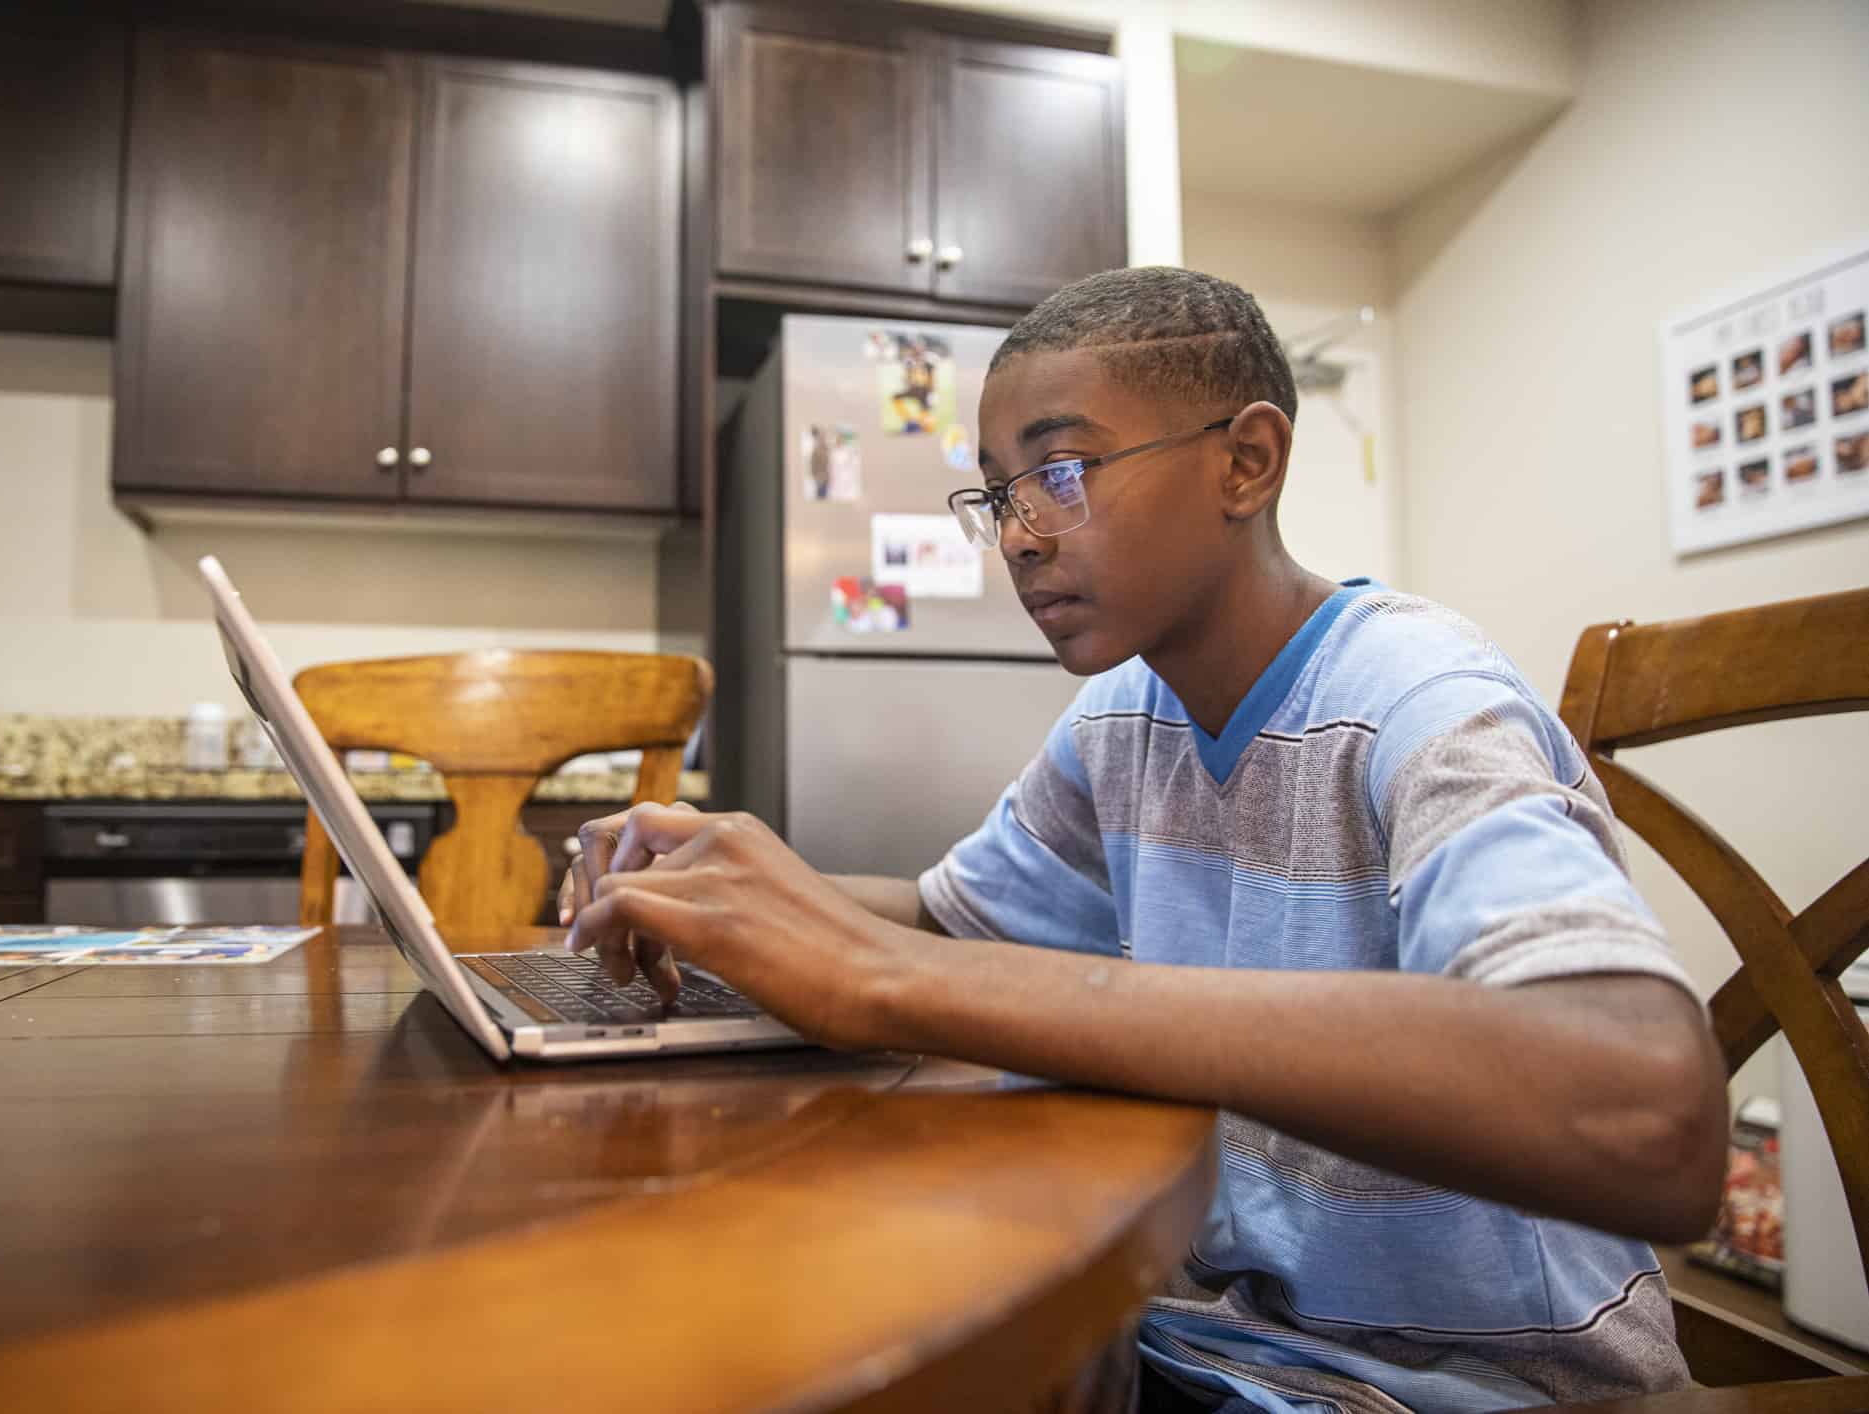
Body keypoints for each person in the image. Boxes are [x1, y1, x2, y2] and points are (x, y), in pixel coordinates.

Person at [560, 267, 1726, 1412]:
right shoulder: (1125, 721)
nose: (1018, 535)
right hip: (1210, 1348)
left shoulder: (1419, 695)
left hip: (1467, 1383)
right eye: (998, 493)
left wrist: (890, 979)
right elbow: (946, 920)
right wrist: (732, 883)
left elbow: (1643, 1108)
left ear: (1246, 461)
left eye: (1061, 473)